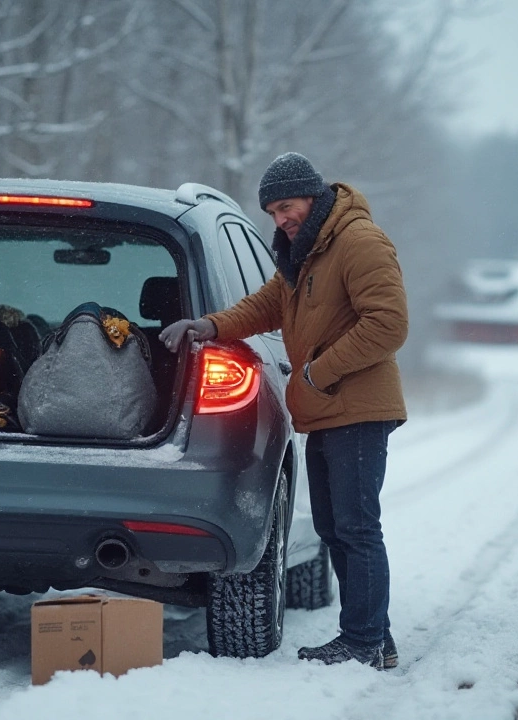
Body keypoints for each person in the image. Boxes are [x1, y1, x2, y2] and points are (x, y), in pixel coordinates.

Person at [160, 152, 408, 669]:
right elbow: (263, 306)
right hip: (327, 410)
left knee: (357, 527)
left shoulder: (359, 242)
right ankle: (374, 641)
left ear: (314, 197)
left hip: (357, 408)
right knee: (335, 527)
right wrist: (207, 326)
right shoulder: (306, 254)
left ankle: (363, 642)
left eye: (286, 206)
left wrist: (319, 370)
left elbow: (389, 323)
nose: (280, 219)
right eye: (271, 212)